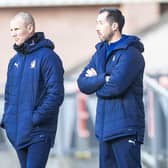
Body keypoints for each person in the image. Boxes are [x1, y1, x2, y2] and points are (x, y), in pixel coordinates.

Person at [77, 8, 145, 168]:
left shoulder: (130, 54)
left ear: (114, 26)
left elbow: (115, 87)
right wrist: (104, 77)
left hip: (125, 129)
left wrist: (96, 82)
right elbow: (82, 83)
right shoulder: (99, 53)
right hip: (104, 130)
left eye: (100, 23)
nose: (96, 27)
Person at [0, 12, 64, 168]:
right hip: (18, 131)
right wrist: (7, 120)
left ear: (30, 28)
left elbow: (56, 94)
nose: (13, 34)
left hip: (39, 131)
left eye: (17, 29)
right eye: (11, 30)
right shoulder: (14, 61)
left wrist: (33, 119)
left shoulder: (48, 57)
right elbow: (8, 95)